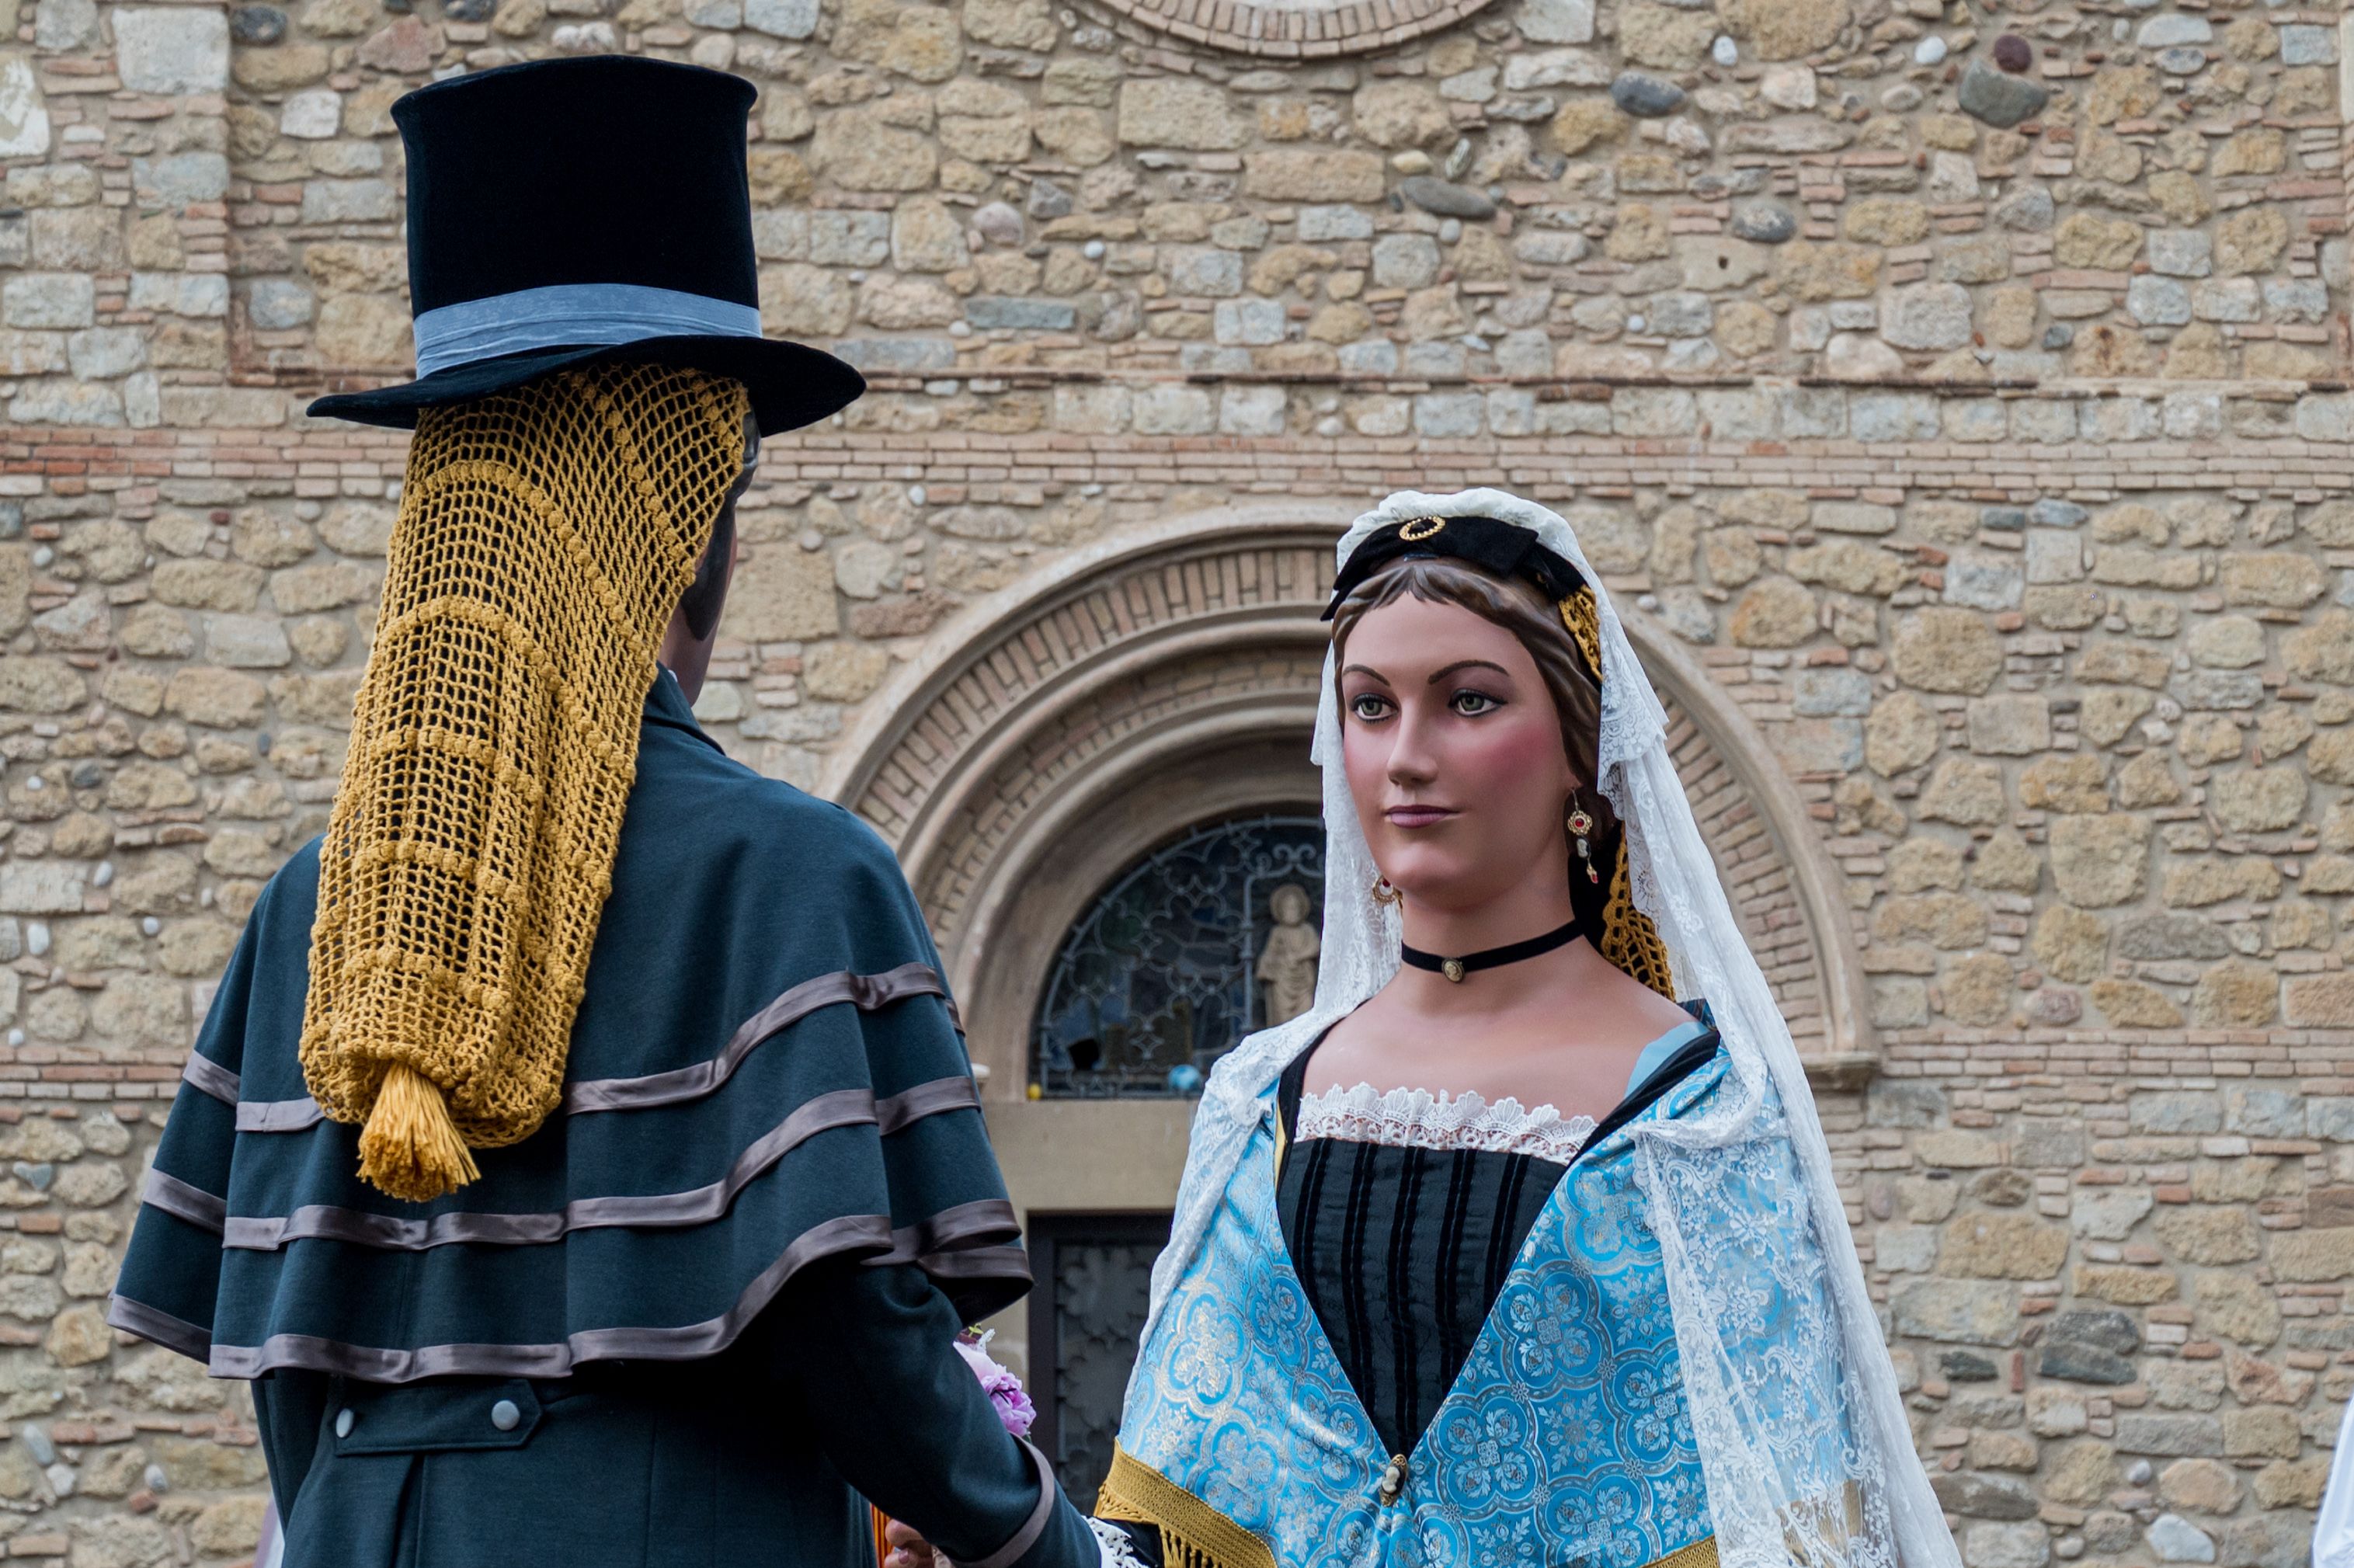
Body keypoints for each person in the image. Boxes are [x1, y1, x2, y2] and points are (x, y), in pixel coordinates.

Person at [106, 57, 1104, 1568]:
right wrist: (1049, 1545)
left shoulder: (318, 899)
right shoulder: (786, 868)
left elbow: (295, 1362)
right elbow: (852, 1331)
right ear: (688, 503)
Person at [888, 488, 1963, 1568]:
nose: (1406, 754)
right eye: (1370, 706)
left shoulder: (1702, 1114)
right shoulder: (1262, 1097)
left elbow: (1786, 1519)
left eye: (1470, 701)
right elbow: (1163, 1530)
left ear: (1579, 754)